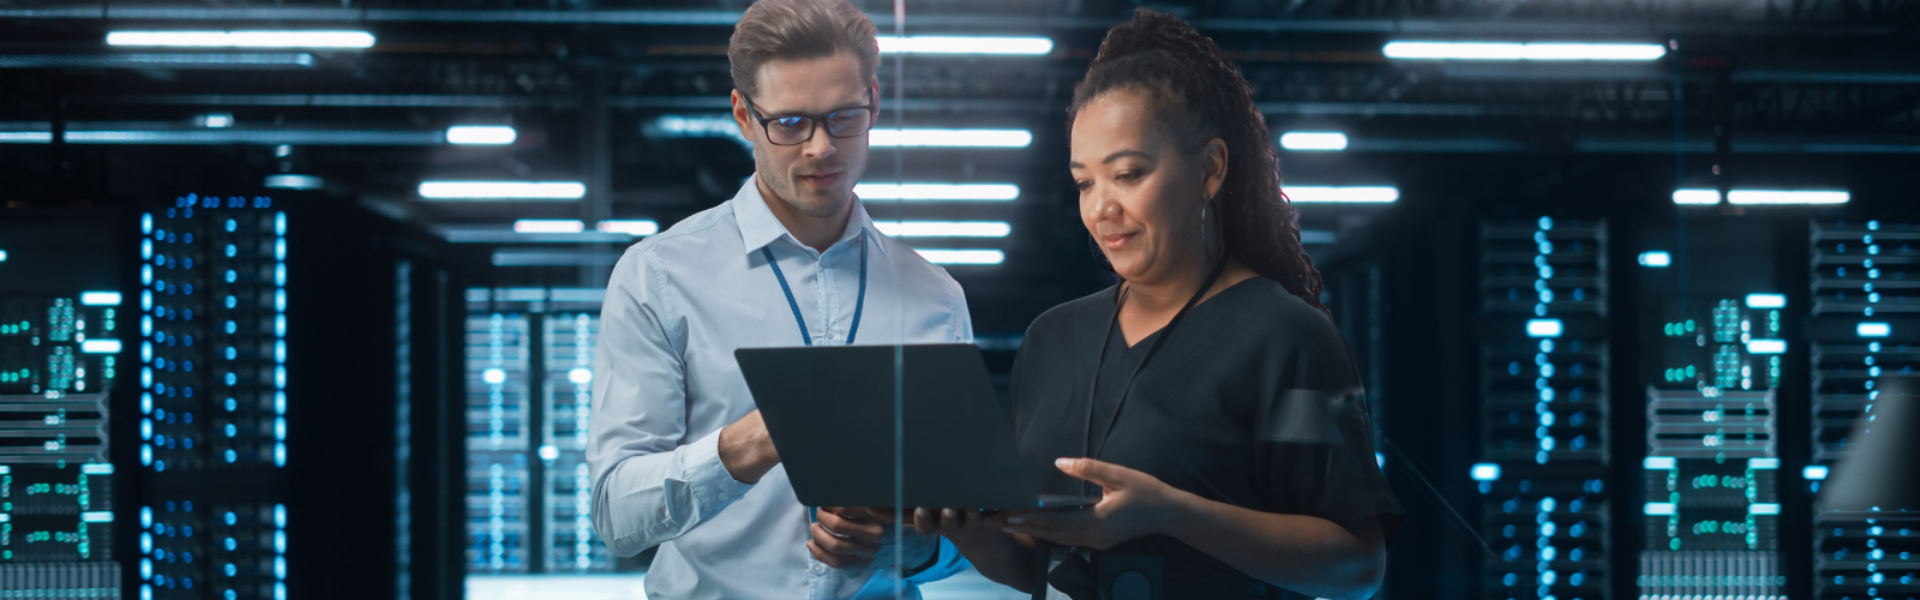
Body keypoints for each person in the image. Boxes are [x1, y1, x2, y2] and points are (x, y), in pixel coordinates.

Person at [900, 9, 1401, 600]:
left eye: (1128, 174)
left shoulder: (1286, 338)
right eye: (1085, 182)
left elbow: (1356, 568)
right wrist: (979, 538)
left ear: (1210, 168)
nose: (1101, 208)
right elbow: (1044, 565)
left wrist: (1173, 513)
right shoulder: (1053, 339)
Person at [586, 0, 972, 598]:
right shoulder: (658, 276)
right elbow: (616, 515)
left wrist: (911, 545)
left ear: (874, 100)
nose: (820, 147)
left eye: (843, 117)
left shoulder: (937, 299)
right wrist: (755, 441)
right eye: (790, 123)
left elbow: (967, 528)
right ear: (743, 115)